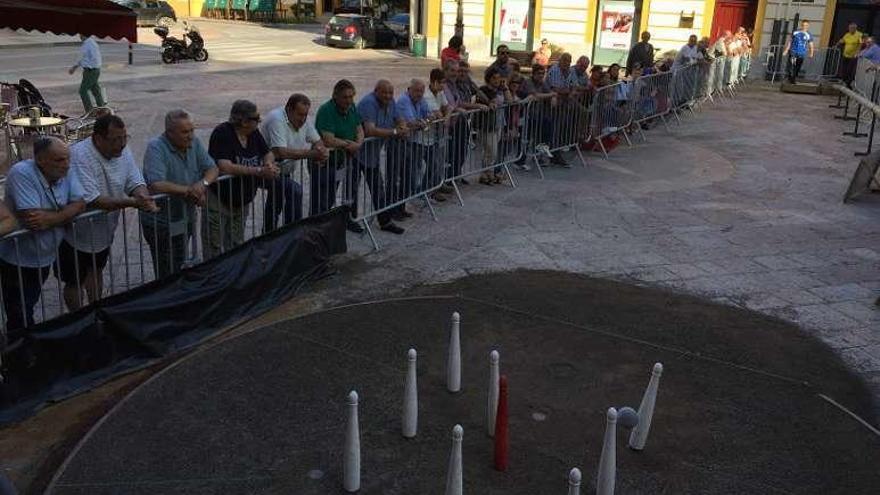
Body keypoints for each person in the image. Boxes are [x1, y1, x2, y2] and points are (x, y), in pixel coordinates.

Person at [62, 114, 157, 310]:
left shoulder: (122, 151)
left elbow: (134, 180)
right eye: (116, 140)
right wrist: (133, 202)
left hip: (103, 230)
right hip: (75, 232)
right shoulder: (80, 156)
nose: (122, 144)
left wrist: (142, 195)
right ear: (98, 139)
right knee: (75, 280)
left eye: (125, 138)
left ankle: (96, 312)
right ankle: (76, 318)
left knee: (96, 270)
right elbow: (95, 200)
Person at [0, 137, 85, 333]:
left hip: (45, 255)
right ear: (40, 160)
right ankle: (21, 353)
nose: (66, 165)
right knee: (20, 313)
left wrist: (52, 218)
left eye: (67, 159)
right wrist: (67, 212)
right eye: (59, 160)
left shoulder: (66, 170)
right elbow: (33, 218)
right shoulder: (22, 172)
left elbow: (80, 203)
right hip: (18, 260)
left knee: (29, 304)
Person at [141, 109, 219, 279]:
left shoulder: (194, 143)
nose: (190, 135)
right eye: (185, 132)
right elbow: (156, 184)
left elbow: (212, 168)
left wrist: (202, 184)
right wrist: (190, 191)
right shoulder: (156, 147)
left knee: (179, 260)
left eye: (192, 130)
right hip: (160, 221)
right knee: (165, 267)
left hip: (185, 217)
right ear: (169, 132)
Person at [205, 100, 277, 258]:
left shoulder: (253, 133)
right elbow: (224, 166)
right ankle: (214, 279)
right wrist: (258, 171)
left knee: (236, 243)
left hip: (242, 200)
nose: (258, 122)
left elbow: (267, 152)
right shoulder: (222, 133)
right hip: (220, 200)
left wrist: (268, 165)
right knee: (214, 245)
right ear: (244, 121)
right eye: (256, 119)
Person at [261, 94, 323, 232]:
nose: (303, 119)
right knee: (294, 191)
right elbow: (282, 152)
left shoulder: (303, 119)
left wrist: (320, 150)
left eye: (305, 115)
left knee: (275, 203)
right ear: (289, 109)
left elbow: (317, 140)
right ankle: (292, 234)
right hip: (265, 169)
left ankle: (271, 236)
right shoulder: (277, 119)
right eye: (300, 114)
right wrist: (313, 154)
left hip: (282, 169)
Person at [354, 80, 406, 232]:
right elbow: (370, 130)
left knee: (378, 188)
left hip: (373, 154)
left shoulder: (391, 102)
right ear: (376, 91)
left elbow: (398, 117)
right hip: (356, 153)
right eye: (384, 92)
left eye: (390, 92)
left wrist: (401, 125)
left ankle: (385, 222)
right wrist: (395, 132)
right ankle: (350, 221)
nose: (388, 96)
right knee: (352, 191)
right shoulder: (368, 103)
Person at [315, 79, 364, 230]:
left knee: (351, 192)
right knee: (325, 197)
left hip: (347, 159)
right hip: (327, 161)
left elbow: (359, 129)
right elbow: (328, 139)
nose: (349, 100)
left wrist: (359, 144)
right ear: (335, 96)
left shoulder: (352, 107)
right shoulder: (326, 110)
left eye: (351, 97)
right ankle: (320, 227)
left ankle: (348, 218)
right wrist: (350, 145)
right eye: (345, 97)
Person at [395, 79, 435, 201]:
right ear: (409, 90)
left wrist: (424, 121)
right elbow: (411, 122)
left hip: (417, 140)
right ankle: (405, 198)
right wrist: (422, 122)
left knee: (430, 165)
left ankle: (419, 192)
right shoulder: (404, 100)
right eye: (416, 91)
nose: (419, 94)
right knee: (408, 173)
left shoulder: (420, 99)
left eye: (421, 91)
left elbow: (429, 115)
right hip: (404, 142)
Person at [475, 66, 512, 184]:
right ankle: (486, 173)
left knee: (491, 151)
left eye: (499, 78)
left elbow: (510, 101)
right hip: (487, 125)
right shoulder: (484, 90)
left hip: (499, 123)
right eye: (494, 78)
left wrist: (505, 88)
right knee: (491, 150)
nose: (497, 81)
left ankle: (486, 173)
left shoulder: (500, 90)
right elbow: (494, 101)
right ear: (489, 79)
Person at [423, 69, 455, 201]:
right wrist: (445, 116)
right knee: (432, 163)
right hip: (426, 137)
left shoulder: (440, 92)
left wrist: (446, 117)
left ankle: (437, 184)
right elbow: (438, 114)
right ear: (434, 82)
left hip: (437, 135)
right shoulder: (427, 96)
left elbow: (449, 107)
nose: (443, 86)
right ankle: (428, 190)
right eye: (442, 83)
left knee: (439, 162)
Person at [68, 34, 106, 113]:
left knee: (83, 91)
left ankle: (90, 111)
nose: (79, 37)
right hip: (91, 70)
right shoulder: (90, 43)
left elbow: (84, 58)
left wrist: (75, 67)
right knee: (95, 89)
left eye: (80, 35)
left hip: (91, 70)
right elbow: (84, 58)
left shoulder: (88, 44)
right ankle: (102, 108)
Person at [782, 20, 814, 85]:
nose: (804, 26)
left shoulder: (809, 35)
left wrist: (811, 53)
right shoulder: (795, 32)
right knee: (792, 66)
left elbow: (811, 45)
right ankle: (791, 80)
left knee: (797, 67)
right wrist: (786, 50)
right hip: (793, 52)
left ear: (808, 26)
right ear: (801, 25)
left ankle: (793, 78)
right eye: (803, 25)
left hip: (801, 54)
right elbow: (790, 42)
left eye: (806, 25)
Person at [838, 22, 864, 87]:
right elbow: (842, 40)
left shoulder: (859, 35)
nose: (850, 29)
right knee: (844, 68)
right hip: (845, 55)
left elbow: (861, 44)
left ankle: (848, 82)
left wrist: (858, 52)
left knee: (850, 69)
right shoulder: (847, 34)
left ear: (855, 28)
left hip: (853, 56)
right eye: (849, 28)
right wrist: (837, 44)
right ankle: (843, 80)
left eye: (851, 28)